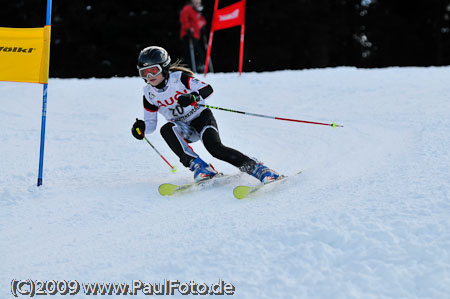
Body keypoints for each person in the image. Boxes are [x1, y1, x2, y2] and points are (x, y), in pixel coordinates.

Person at [131, 46, 279, 183]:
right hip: (183, 128)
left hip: (201, 119)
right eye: (144, 73)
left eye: (153, 71)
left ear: (164, 67)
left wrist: (193, 97)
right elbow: (150, 125)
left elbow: (207, 89)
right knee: (166, 129)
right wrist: (142, 128)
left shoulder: (179, 78)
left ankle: (258, 169)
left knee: (215, 149)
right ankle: (200, 168)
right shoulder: (149, 94)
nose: (149, 76)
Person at [179, 0, 206, 72]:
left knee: (196, 50)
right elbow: (184, 19)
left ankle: (197, 66)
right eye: (196, 2)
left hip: (195, 35)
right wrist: (188, 29)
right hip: (188, 35)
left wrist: (202, 25)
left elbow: (201, 20)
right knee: (189, 51)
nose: (198, 4)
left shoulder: (197, 11)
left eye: (199, 3)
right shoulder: (187, 8)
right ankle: (187, 66)